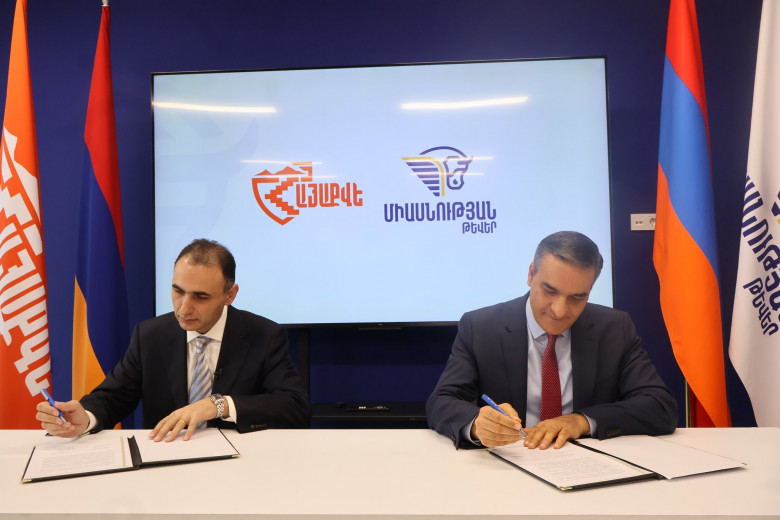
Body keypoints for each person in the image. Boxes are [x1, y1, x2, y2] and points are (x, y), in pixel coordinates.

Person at [426, 231, 678, 450]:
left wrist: (581, 421)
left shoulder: (614, 328)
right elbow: (441, 400)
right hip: (508, 461)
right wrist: (477, 424)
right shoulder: (481, 327)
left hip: (586, 464)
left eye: (577, 297)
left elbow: (660, 406)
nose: (559, 310)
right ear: (530, 274)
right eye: (550, 291)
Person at [37, 239, 310, 441]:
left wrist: (218, 404)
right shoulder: (150, 335)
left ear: (230, 295)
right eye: (178, 291)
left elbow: (294, 406)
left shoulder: (263, 335)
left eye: (200, 296)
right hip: (167, 462)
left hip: (240, 465)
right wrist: (84, 418)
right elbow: (113, 397)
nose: (184, 308)